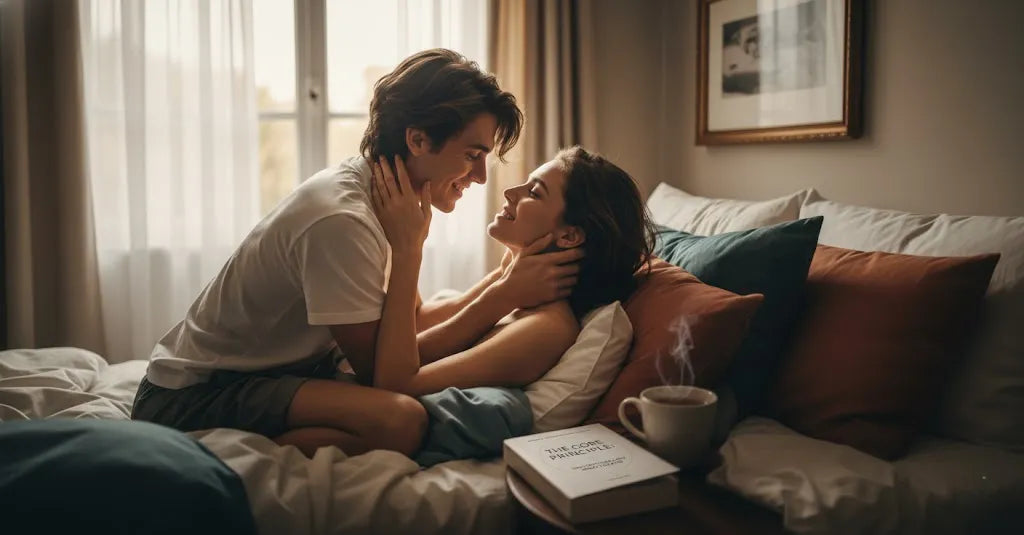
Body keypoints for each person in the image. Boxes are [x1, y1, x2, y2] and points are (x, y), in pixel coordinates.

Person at [132, 49, 580, 457]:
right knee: (400, 420)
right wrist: (418, 257)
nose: (481, 177)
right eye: (472, 154)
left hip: (272, 373)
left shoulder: (384, 197)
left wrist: (504, 281)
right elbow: (385, 376)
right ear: (419, 140)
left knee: (393, 413)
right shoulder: (345, 222)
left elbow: (407, 324)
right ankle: (244, 455)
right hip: (190, 396)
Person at [368, 145, 654, 402]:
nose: (509, 192)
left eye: (534, 192)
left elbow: (396, 384)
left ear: (569, 236)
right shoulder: (515, 284)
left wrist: (409, 248)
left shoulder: (545, 328)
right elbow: (417, 322)